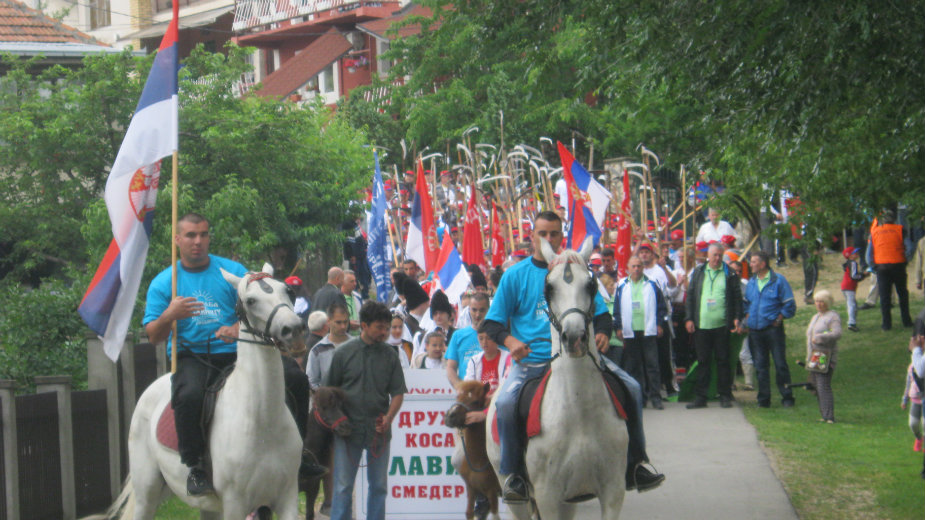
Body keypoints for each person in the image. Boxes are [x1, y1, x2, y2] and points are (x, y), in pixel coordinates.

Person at [481, 211, 664, 503]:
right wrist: (511, 340)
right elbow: (491, 323)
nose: (549, 239)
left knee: (632, 386)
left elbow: (602, 315)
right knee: (504, 404)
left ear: (561, 238)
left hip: (581, 358)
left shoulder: (580, 272)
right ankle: (514, 474)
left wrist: (603, 332)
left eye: (554, 234)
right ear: (533, 237)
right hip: (531, 362)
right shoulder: (515, 275)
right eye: (543, 234)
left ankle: (635, 465)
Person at [143, 213, 248, 496]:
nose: (197, 241)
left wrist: (240, 326)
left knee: (291, 379)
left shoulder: (233, 271)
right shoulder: (165, 282)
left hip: (238, 354)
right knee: (189, 395)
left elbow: (258, 310)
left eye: (203, 234)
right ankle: (195, 465)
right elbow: (154, 335)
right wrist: (170, 315)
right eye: (190, 235)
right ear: (178, 239)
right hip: (193, 356)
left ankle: (298, 455)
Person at [325, 301, 407, 520]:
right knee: (343, 488)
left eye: (387, 328)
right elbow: (327, 393)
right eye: (379, 327)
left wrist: (389, 418)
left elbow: (398, 393)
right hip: (347, 431)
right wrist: (337, 420)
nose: (385, 332)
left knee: (379, 486)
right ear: (364, 325)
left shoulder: (391, 355)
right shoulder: (343, 353)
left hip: (379, 432)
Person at [684, 243, 743, 409]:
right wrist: (689, 318)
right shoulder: (699, 272)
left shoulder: (729, 274)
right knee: (703, 361)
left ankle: (724, 394)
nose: (717, 258)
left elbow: (737, 299)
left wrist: (737, 318)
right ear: (708, 256)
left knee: (723, 360)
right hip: (701, 326)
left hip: (722, 325)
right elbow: (690, 297)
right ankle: (701, 396)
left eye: (719, 255)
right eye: (714, 255)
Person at [743, 251, 797, 408]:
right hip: (755, 331)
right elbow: (746, 304)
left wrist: (779, 318)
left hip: (773, 330)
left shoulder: (778, 280)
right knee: (760, 366)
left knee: (780, 363)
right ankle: (764, 399)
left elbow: (789, 304)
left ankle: (787, 397)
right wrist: (747, 319)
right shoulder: (751, 282)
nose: (751, 265)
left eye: (753, 262)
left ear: (762, 264)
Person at [614, 254, 668, 409]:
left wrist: (659, 324)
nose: (636, 269)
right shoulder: (621, 285)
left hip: (648, 330)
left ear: (643, 268)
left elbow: (661, 307)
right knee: (634, 367)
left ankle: (656, 398)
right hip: (630, 332)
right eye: (634, 266)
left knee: (652, 366)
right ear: (627, 269)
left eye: (639, 266)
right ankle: (640, 398)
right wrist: (618, 327)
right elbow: (616, 309)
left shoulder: (652, 284)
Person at [870, 210, 913, 330]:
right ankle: (906, 321)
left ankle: (886, 324)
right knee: (902, 294)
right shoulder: (900, 229)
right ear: (894, 219)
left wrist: (873, 266)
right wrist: (906, 260)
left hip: (882, 267)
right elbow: (909, 247)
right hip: (898, 265)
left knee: (885, 296)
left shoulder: (874, 232)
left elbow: (869, 253)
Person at [804, 290, 841, 423]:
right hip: (814, 355)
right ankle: (824, 414)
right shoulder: (815, 317)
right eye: (817, 301)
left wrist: (821, 337)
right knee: (815, 385)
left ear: (827, 303)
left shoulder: (832, 316)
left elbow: (837, 334)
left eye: (822, 301)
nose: (819, 304)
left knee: (823, 385)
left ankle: (829, 415)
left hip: (825, 354)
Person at [446, 292, 490, 388]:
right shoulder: (458, 335)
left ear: (488, 310)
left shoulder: (496, 335)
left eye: (482, 310)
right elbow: (450, 367)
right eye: (474, 310)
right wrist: (460, 387)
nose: (477, 314)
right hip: (467, 392)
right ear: (469, 309)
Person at [306, 303, 353, 390]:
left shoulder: (356, 346)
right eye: (338, 322)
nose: (343, 326)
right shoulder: (317, 350)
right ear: (328, 322)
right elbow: (311, 381)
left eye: (345, 322)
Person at [841, 247, 866, 332]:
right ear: (850, 256)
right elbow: (854, 276)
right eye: (854, 253)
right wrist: (864, 275)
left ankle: (853, 322)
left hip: (845, 287)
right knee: (851, 305)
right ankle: (851, 323)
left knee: (853, 305)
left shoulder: (849, 263)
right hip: (849, 287)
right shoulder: (853, 263)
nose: (857, 254)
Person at [903, 360, 924, 452]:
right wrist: (905, 399)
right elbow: (908, 384)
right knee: (913, 424)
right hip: (915, 400)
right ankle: (919, 438)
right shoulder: (912, 367)